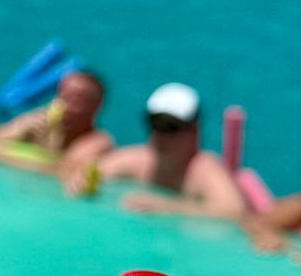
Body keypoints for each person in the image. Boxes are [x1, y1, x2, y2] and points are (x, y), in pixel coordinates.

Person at [99, 84, 248, 218]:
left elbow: (233, 212)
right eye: (156, 125)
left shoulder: (202, 168)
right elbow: (90, 173)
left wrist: (168, 206)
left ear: (194, 131)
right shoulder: (138, 159)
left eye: (172, 128)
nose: (162, 135)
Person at [0, 66, 113, 186]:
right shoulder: (38, 123)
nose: (66, 105)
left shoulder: (98, 142)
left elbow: (63, 172)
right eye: (63, 95)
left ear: (97, 106)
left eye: (77, 99)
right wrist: (17, 130)